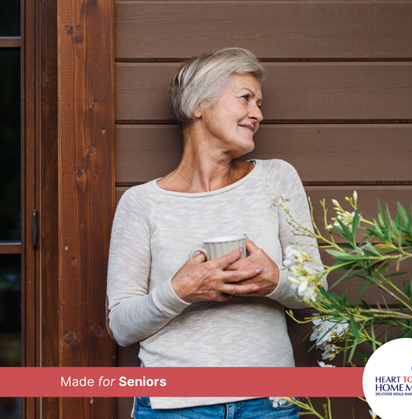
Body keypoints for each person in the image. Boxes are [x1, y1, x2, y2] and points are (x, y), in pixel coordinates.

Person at [106, 47, 324, 418]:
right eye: (245, 98)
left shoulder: (277, 179)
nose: (258, 113)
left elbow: (316, 291)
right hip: (173, 408)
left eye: (259, 103)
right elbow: (121, 327)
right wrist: (179, 292)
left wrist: (275, 281)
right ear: (198, 105)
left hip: (269, 404)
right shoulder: (141, 203)